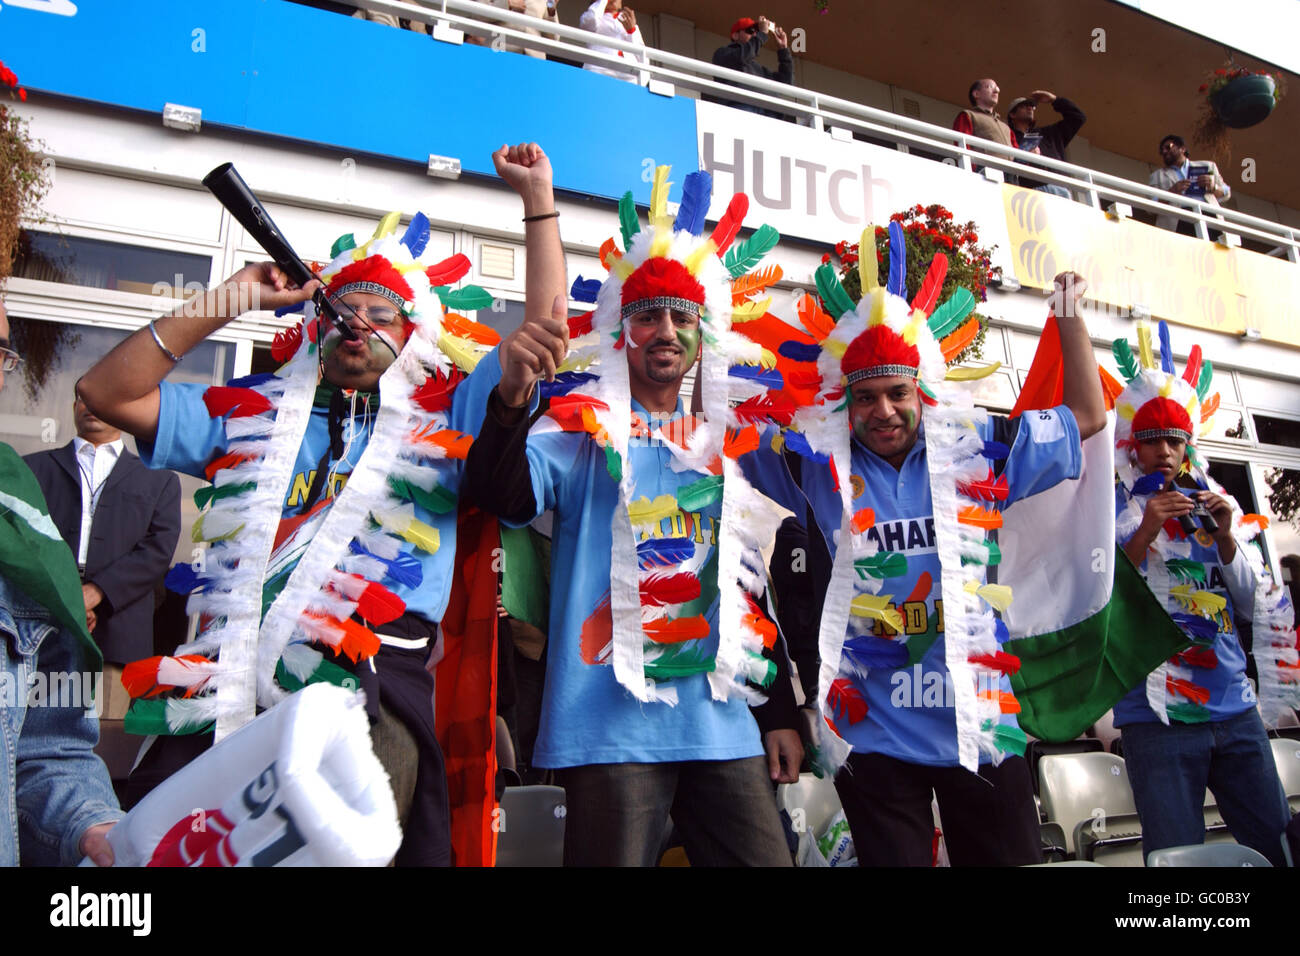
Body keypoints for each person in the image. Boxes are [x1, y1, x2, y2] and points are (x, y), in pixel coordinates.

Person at [75, 145, 557, 865]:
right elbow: (105, 394)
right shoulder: (253, 408)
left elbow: (543, 334)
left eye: (382, 313)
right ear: (318, 325)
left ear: (413, 336)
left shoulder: (443, 412)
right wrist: (229, 296)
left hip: (368, 689)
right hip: (223, 681)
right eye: (346, 308)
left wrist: (538, 200)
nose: (359, 321)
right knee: (148, 857)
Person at [464, 164, 804, 866]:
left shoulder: (726, 440)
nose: (666, 331)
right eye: (648, 315)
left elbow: (744, 583)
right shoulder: (578, 431)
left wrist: (776, 712)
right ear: (621, 330)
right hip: (608, 729)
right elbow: (500, 496)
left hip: (723, 725)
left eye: (682, 316)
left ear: (703, 333)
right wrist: (509, 398)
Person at [792, 254, 1105, 866]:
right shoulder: (814, 461)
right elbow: (716, 429)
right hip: (873, 737)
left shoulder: (982, 447)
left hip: (981, 729)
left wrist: (1069, 316)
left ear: (922, 389)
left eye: (897, 393)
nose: (883, 411)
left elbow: (1088, 418)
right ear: (844, 402)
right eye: (866, 397)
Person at [1110, 321, 1294, 867]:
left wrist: (1229, 540)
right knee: (1174, 860)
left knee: (1274, 846)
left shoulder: (1216, 505)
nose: (1165, 451)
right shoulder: (1113, 510)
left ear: (1188, 443)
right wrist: (1143, 532)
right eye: (1152, 440)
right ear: (1133, 446)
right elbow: (1105, 601)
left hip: (1235, 708)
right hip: (1155, 718)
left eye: (1175, 440)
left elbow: (1251, 606)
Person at [0, 298, 121, 866]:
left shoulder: (14, 503)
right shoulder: (45, 466)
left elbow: (47, 744)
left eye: (0, 352)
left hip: (99, 621)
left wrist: (91, 825)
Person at [25, 395, 180, 720]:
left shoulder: (160, 478)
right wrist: (67, 598)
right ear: (72, 408)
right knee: (30, 740)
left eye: (102, 397)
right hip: (39, 634)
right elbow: (21, 543)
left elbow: (158, 550)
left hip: (118, 637)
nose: (91, 405)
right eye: (83, 398)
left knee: (107, 749)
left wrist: (96, 594)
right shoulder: (32, 469)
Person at [1005, 90, 1086, 197]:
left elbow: (1078, 118)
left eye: (1032, 106)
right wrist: (1025, 158)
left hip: (1060, 190)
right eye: (1024, 106)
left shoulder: (1049, 134)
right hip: (1029, 192)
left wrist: (1055, 100)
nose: (1030, 108)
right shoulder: (1007, 137)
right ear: (1012, 114)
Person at [710, 16, 794, 117]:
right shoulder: (723, 53)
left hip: (769, 113)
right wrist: (762, 35)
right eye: (750, 30)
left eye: (757, 31)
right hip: (742, 107)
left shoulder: (758, 69)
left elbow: (786, 82)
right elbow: (742, 56)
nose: (755, 34)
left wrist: (783, 49)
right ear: (735, 35)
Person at [1148, 134, 1231, 233]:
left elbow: (1226, 191)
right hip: (1177, 221)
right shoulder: (1157, 175)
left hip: (1208, 216)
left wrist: (1213, 187)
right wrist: (1172, 191)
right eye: (1162, 151)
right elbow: (1150, 206)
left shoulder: (1208, 166)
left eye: (1168, 147)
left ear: (1182, 149)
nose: (1164, 152)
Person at [579, 0, 646, 83]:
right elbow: (591, 21)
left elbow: (643, 57)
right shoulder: (593, 16)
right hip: (600, 70)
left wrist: (631, 31)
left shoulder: (629, 21)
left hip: (628, 76)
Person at [953, 78, 1017, 149]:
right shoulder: (968, 116)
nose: (996, 91)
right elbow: (962, 145)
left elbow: (1017, 155)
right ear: (976, 94)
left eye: (996, 88)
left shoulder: (1006, 127)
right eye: (989, 87)